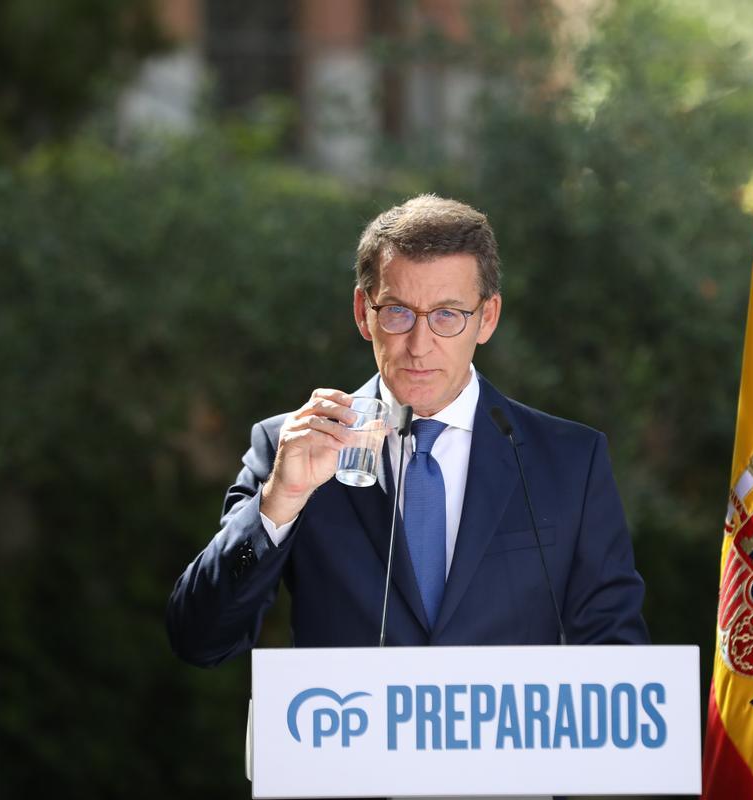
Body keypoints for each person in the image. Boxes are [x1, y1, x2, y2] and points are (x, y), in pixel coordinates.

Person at [167, 194, 648, 666]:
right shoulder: (289, 447)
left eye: (447, 315)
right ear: (363, 312)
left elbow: (617, 657)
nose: (420, 345)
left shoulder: (569, 460)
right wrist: (279, 502)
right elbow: (199, 637)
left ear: (488, 318)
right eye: (397, 312)